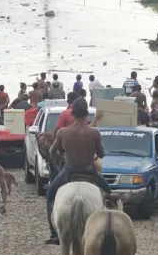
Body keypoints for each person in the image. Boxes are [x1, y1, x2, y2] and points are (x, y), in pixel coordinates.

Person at [45, 98, 112, 244]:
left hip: (70, 171)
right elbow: (101, 154)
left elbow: (51, 151)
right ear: (86, 114)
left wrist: (60, 156)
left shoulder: (63, 132)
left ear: (72, 114)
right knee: (110, 194)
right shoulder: (94, 133)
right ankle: (110, 227)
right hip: (90, 171)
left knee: (50, 195)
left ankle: (54, 232)